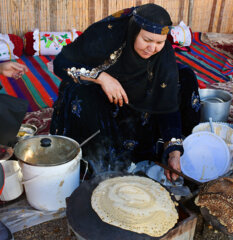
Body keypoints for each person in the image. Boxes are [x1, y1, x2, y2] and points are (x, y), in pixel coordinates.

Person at [50, 4, 201, 180]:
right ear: (134, 31)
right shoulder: (108, 35)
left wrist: (173, 149)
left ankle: (178, 145)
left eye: (159, 42)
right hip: (97, 89)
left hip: (135, 96)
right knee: (82, 96)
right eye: (146, 40)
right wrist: (101, 77)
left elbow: (167, 101)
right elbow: (60, 64)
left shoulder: (162, 53)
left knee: (184, 75)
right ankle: (101, 161)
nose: (152, 49)